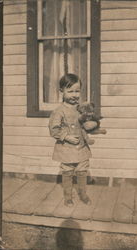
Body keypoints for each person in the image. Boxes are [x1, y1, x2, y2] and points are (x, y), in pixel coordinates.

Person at [49, 73, 93, 207]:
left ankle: (83, 194)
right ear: (62, 91)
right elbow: (54, 130)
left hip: (81, 147)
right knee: (67, 172)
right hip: (66, 149)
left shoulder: (81, 109)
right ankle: (68, 197)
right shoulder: (59, 111)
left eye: (77, 91)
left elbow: (86, 124)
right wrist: (66, 137)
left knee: (82, 171)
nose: (74, 95)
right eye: (70, 91)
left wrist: (91, 126)